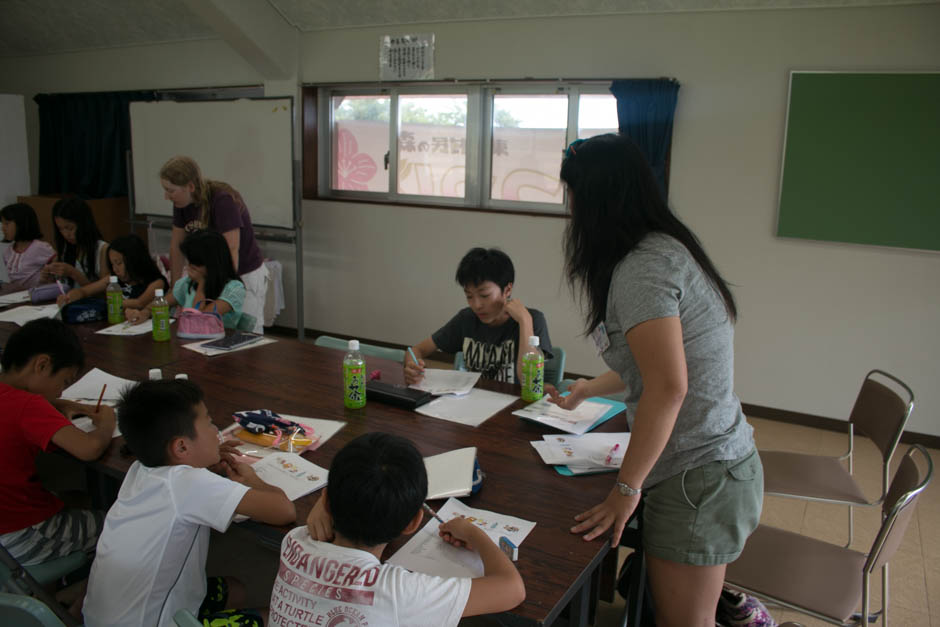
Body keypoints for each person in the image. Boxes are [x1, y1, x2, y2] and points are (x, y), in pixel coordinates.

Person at [550, 134, 762, 627]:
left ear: (599, 201)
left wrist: (626, 489)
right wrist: (587, 388)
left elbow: (669, 388)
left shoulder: (643, 269)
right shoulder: (659, 248)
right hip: (705, 466)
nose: (572, 213)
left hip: (700, 475)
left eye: (574, 198)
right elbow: (655, 368)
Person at [82, 379, 296, 627]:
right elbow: (284, 511)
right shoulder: (189, 483)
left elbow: (183, 484)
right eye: (209, 422)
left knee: (235, 590)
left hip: (105, 617)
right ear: (182, 446)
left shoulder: (141, 469)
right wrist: (253, 480)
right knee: (279, 619)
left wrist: (202, 460)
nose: (216, 430)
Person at [276, 432, 525, 626]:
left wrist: (328, 502)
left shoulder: (295, 541)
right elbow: (512, 588)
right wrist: (473, 533)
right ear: (413, 523)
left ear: (326, 502)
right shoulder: (398, 591)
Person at [0, 319, 115, 567]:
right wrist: (107, 423)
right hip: (23, 537)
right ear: (42, 365)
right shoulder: (28, 406)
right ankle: (84, 598)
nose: (62, 392)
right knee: (123, 522)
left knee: (76, 497)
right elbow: (89, 449)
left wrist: (63, 406)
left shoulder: (11, 393)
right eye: (64, 381)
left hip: (6, 528)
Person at [404, 247, 552, 384]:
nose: (476, 305)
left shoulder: (532, 319)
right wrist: (412, 368)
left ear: (507, 290)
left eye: (484, 295)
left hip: (513, 407)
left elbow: (530, 381)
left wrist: (525, 321)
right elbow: (416, 350)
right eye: (469, 296)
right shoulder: (466, 319)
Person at [160, 155, 267, 334]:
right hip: (210, 276)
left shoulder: (222, 200)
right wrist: (174, 288)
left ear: (190, 187)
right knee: (209, 330)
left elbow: (231, 250)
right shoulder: (181, 203)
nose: (166, 196)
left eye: (171, 190)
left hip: (241, 274)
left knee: (244, 334)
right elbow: (176, 247)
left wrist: (224, 289)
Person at [125, 229, 249, 330]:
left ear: (213, 263)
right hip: (191, 344)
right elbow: (162, 303)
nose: (190, 267)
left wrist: (202, 284)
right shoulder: (187, 284)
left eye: (195, 263)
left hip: (220, 347)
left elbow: (200, 320)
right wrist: (144, 313)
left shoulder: (234, 289)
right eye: (189, 262)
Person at [57, 234, 168, 311]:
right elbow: (85, 291)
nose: (115, 269)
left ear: (134, 261)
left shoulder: (156, 282)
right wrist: (70, 296)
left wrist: (105, 303)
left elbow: (139, 303)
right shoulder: (115, 279)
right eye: (112, 264)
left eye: (119, 263)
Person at [42, 197, 108, 289]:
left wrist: (73, 273)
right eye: (60, 229)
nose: (65, 234)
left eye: (70, 228)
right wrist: (49, 277)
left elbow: (106, 294)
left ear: (83, 224)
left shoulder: (102, 249)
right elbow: (61, 287)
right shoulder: (65, 249)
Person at [1, 202, 56, 289]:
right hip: (18, 297)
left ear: (21, 223)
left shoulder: (40, 247)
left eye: (7, 223)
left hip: (40, 296)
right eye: (2, 223)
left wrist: (48, 274)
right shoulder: (7, 252)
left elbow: (59, 264)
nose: (3, 228)